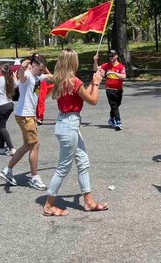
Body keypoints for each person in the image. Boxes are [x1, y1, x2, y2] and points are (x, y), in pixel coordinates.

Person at [43, 49, 108, 216]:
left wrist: (93, 81)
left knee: (83, 162)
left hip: (65, 123)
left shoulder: (61, 80)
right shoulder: (74, 81)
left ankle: (88, 200)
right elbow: (92, 100)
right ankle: (49, 205)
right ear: (73, 62)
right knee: (63, 167)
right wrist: (96, 82)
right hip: (69, 126)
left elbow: (82, 96)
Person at [0, 54, 52, 190]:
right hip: (25, 115)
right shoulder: (27, 76)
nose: (42, 72)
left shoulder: (38, 76)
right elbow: (21, 76)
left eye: (43, 69)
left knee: (28, 145)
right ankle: (34, 178)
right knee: (35, 145)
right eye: (40, 69)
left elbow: (52, 77)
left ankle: (7, 170)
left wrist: (61, 73)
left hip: (28, 115)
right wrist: (22, 68)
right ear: (32, 66)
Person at [93, 49, 126, 130]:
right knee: (114, 105)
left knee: (117, 105)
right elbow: (96, 69)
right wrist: (95, 60)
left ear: (116, 56)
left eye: (112, 55)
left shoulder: (121, 66)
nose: (111, 57)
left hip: (119, 89)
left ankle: (111, 118)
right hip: (109, 89)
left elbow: (124, 76)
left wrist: (113, 73)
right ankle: (118, 121)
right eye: (109, 56)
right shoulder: (106, 65)